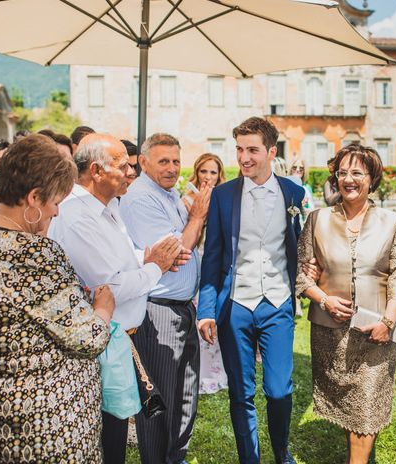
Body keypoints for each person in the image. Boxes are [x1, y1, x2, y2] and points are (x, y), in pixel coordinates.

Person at [48, 133, 188, 463]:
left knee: (114, 434)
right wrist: (156, 269)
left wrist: (146, 257)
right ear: (96, 171)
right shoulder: (76, 217)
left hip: (119, 341)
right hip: (97, 347)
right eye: (122, 165)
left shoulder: (108, 205)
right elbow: (107, 289)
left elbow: (119, 261)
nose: (130, 172)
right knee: (105, 441)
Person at [0, 134, 115, 463]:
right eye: (54, 202)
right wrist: (102, 309)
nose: (56, 213)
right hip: (44, 425)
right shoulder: (36, 255)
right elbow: (87, 338)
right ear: (34, 198)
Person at [198, 117, 305, 464]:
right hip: (236, 305)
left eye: (252, 150)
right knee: (241, 393)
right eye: (240, 149)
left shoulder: (294, 192)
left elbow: (300, 244)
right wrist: (206, 310)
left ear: (272, 151)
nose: (244, 158)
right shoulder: (223, 196)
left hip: (278, 303)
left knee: (278, 389)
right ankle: (250, 459)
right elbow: (212, 256)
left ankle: (280, 452)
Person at [295, 143, 396, 463]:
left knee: (368, 401)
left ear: (372, 178)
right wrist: (324, 299)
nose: (348, 179)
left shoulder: (392, 222)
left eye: (357, 172)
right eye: (342, 172)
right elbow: (301, 275)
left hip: (375, 331)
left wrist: (388, 322)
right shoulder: (317, 220)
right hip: (329, 333)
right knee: (350, 405)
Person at [120, 133, 212, 464]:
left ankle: (176, 457)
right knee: (160, 401)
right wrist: (197, 218)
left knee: (186, 395)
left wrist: (191, 222)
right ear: (143, 162)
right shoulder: (139, 199)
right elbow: (173, 255)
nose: (172, 168)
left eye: (176, 160)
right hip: (157, 312)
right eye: (163, 161)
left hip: (182, 309)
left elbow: (184, 243)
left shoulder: (170, 194)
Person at [187, 153, 229, 394]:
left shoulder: (224, 198)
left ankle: (214, 372)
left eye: (213, 172)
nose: (208, 177)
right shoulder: (187, 197)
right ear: (197, 171)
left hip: (214, 262)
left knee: (212, 312)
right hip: (194, 259)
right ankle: (196, 371)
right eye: (204, 171)